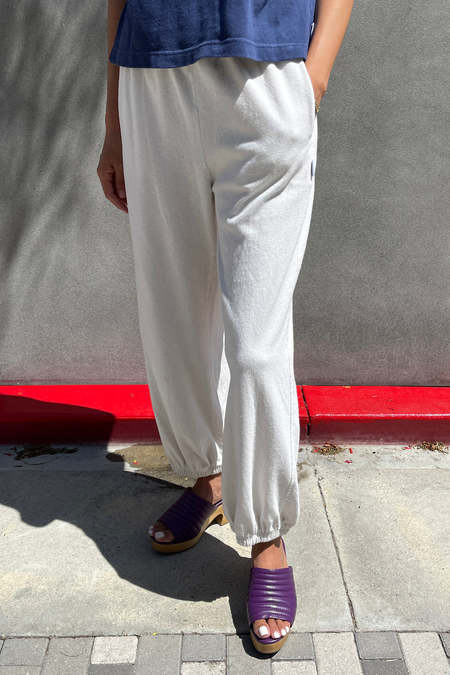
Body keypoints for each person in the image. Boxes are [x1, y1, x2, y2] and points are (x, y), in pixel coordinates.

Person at [98, 0, 353, 655]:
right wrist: (114, 122)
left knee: (256, 347)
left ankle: (267, 534)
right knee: (176, 316)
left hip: (264, 80)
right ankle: (207, 477)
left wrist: (315, 75)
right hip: (152, 82)